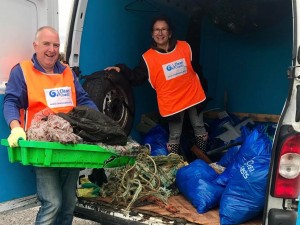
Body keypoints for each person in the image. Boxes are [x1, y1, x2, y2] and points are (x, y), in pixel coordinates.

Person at [3, 26, 98, 225]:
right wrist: (15, 127)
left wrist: (100, 121)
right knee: (52, 203)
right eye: (46, 44)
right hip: (42, 145)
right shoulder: (22, 71)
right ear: (35, 45)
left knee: (69, 203)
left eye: (56, 45)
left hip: (70, 143)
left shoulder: (67, 72)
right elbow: (11, 101)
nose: (51, 49)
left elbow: (83, 99)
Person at [106, 16, 208, 155]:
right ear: (152, 34)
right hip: (173, 103)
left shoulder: (184, 47)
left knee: (199, 127)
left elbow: (197, 69)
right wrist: (121, 69)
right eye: (157, 30)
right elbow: (136, 77)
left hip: (193, 96)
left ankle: (203, 158)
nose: (160, 33)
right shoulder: (148, 58)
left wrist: (204, 86)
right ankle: (174, 163)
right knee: (175, 135)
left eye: (163, 29)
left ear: (170, 33)